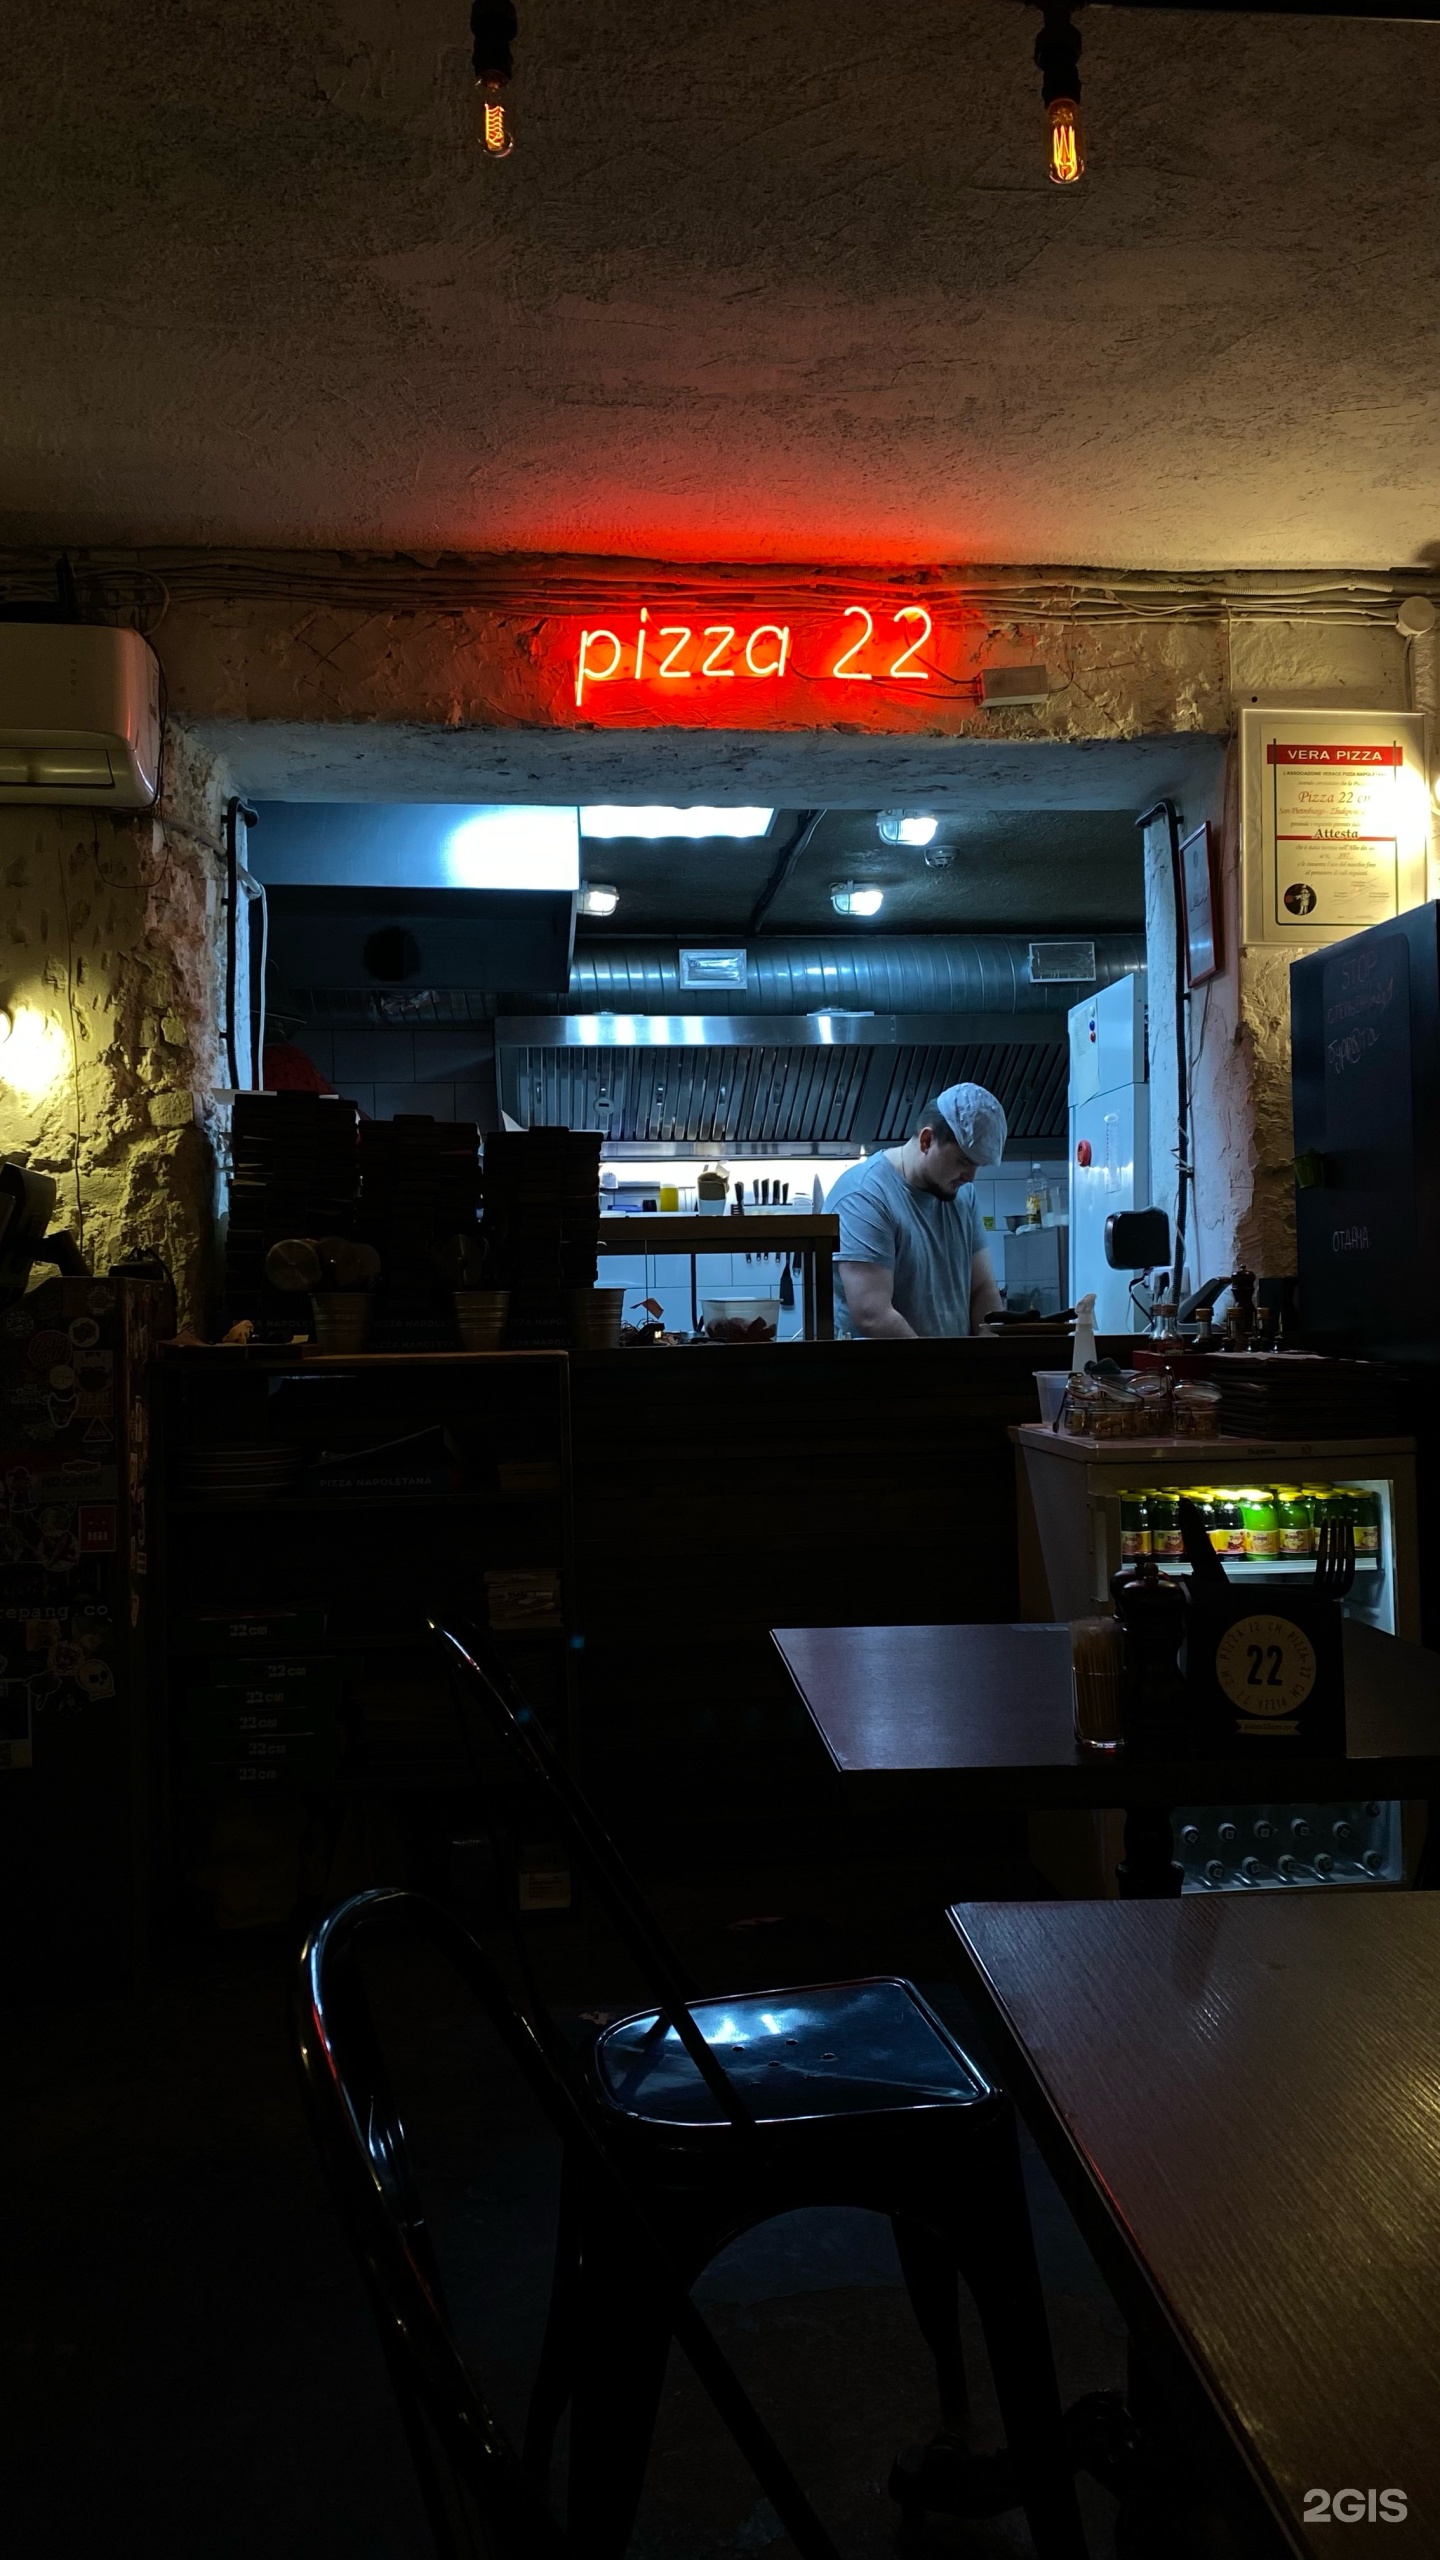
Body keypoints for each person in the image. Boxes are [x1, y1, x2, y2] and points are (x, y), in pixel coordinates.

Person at [828, 1083, 1007, 1339]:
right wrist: (933, 1364)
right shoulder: (865, 1195)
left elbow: (981, 1288)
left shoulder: (963, 1195)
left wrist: (990, 1354)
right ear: (926, 1140)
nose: (971, 1177)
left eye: (978, 1166)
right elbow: (873, 1315)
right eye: (964, 1161)